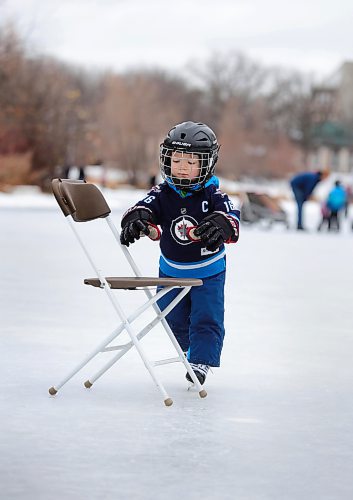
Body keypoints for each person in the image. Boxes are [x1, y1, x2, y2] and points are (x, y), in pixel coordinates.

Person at [119, 121, 240, 385]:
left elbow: (231, 217)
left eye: (191, 161)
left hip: (208, 273)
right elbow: (143, 208)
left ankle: (200, 361)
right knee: (171, 315)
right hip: (171, 271)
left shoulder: (214, 193)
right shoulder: (162, 193)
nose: (182, 167)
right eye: (176, 160)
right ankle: (190, 348)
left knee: (206, 317)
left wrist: (221, 224)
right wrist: (137, 220)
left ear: (206, 163)